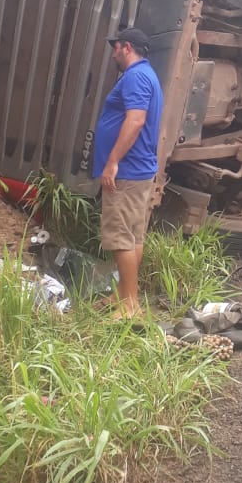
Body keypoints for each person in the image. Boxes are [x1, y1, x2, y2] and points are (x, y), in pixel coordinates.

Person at [93, 27, 163, 318]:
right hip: (138, 170)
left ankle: (129, 305)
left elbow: (135, 121)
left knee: (121, 237)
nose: (113, 54)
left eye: (116, 48)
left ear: (127, 48)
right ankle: (123, 295)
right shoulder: (148, 76)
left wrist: (112, 161)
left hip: (128, 170)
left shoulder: (135, 76)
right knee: (133, 237)